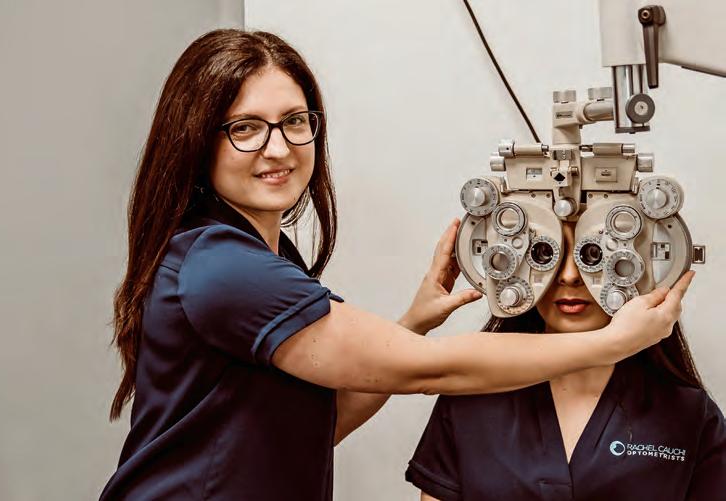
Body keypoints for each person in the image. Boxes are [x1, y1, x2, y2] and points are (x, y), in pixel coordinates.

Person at [100, 29, 691, 500]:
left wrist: (414, 323)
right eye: (246, 128)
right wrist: (613, 342)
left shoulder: (260, 257)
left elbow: (312, 428)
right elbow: (430, 371)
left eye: (295, 121)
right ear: (197, 139)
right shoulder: (222, 268)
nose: (278, 148)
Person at [406, 222, 720, 501]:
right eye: (545, 253)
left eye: (594, 254)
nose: (569, 275)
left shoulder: (690, 413)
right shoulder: (469, 396)